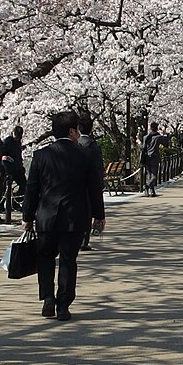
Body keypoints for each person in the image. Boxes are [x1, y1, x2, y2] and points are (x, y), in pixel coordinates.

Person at [22, 111, 105, 321]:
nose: (79, 133)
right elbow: (94, 188)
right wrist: (98, 215)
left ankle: (48, 298)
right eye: (77, 129)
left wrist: (27, 217)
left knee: (45, 258)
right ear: (71, 131)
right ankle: (63, 305)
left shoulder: (41, 155)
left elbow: (32, 188)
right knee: (68, 260)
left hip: (46, 217)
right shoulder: (85, 155)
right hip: (74, 217)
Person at [77, 113, 105, 251]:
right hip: (89, 184)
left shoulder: (74, 144)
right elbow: (98, 167)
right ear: (91, 129)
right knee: (87, 211)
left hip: (74, 183)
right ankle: (84, 240)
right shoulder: (93, 146)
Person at [140, 122, 170, 196]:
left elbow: (142, 147)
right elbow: (166, 144)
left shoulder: (145, 137)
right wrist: (165, 134)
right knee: (154, 175)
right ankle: (147, 186)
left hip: (146, 157)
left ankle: (151, 191)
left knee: (149, 174)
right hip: (154, 157)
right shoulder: (158, 137)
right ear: (156, 128)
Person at [0, 125, 26, 196]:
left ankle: (18, 198)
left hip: (17, 168)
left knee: (24, 185)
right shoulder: (8, 141)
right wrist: (4, 157)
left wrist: (21, 165)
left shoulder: (18, 142)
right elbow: (1, 153)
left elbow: (18, 155)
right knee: (6, 186)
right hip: (9, 168)